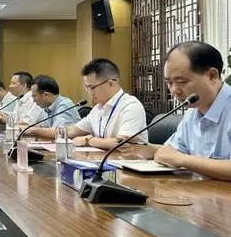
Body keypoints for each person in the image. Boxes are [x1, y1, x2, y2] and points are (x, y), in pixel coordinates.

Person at [26, 59, 147, 149]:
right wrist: (34, 130)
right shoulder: (97, 109)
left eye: (92, 87)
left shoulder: (130, 106)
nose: (89, 92)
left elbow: (122, 144)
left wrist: (88, 140)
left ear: (111, 83)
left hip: (128, 168)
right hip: (104, 163)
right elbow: (71, 131)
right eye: (86, 87)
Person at [154, 41, 231, 181]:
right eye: (169, 83)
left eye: (182, 82)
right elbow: (171, 151)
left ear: (212, 76)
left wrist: (184, 160)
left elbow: (178, 157)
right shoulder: (192, 111)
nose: (174, 91)